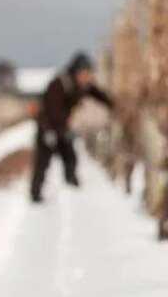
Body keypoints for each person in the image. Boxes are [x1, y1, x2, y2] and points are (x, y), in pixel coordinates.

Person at [30, 51, 114, 203]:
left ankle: (72, 186)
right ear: (76, 71)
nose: (87, 77)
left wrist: (113, 104)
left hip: (62, 128)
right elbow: (51, 111)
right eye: (84, 73)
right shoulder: (59, 84)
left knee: (70, 158)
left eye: (88, 74)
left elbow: (97, 94)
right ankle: (35, 195)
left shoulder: (82, 85)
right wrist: (50, 132)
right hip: (47, 128)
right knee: (42, 163)